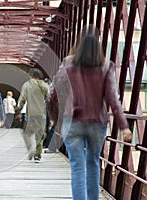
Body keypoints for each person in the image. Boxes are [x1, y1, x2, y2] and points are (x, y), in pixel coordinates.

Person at [50, 28, 132, 200]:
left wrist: (53, 117)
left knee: (77, 167)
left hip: (72, 122)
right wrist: (124, 126)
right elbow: (113, 99)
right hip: (97, 123)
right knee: (93, 163)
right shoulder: (106, 66)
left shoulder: (68, 63)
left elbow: (53, 94)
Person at [15, 68, 49, 163]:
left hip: (30, 114)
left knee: (26, 134)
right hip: (42, 114)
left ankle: (31, 148)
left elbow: (22, 99)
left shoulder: (27, 85)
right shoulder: (45, 85)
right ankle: (38, 155)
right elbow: (49, 99)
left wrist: (17, 110)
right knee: (40, 134)